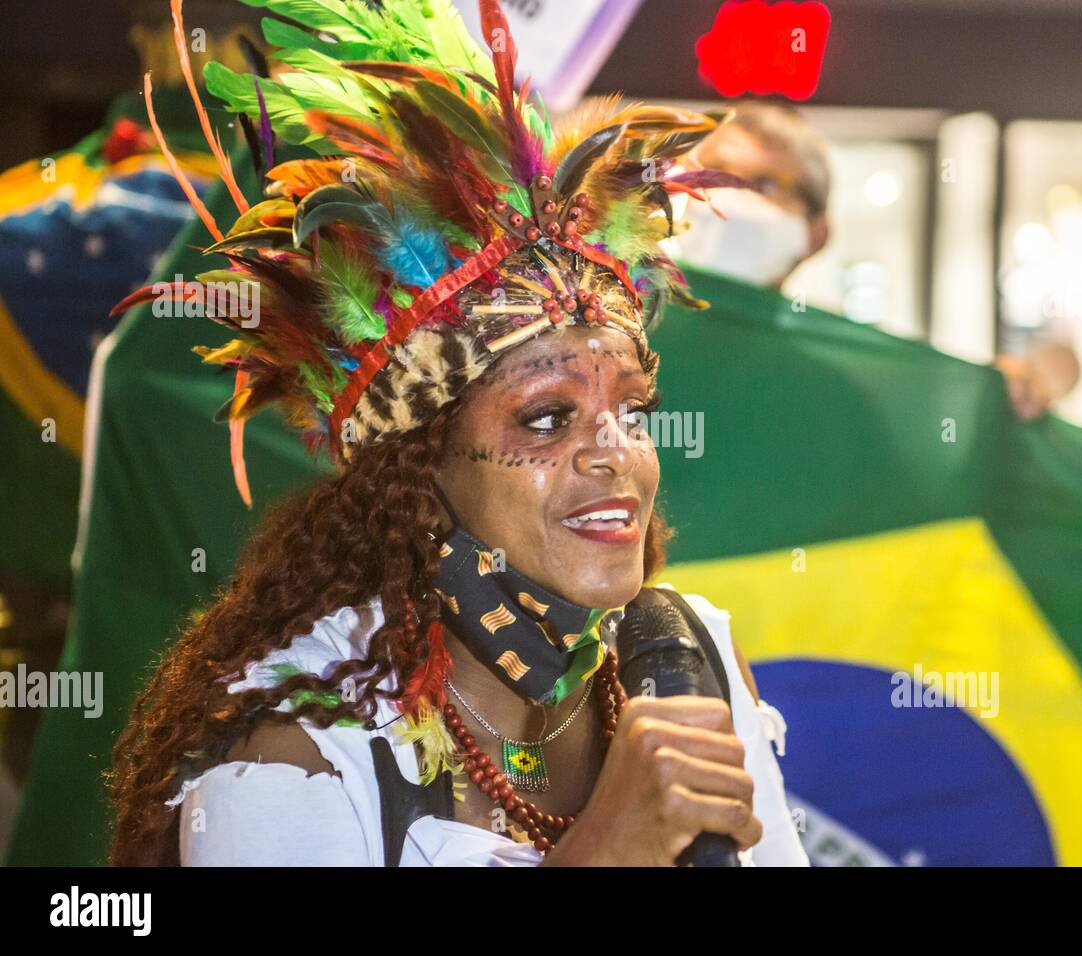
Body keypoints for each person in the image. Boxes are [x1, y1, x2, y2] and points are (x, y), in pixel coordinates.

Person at [108, 0, 808, 867]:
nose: (615, 454)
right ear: (420, 464)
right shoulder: (297, 748)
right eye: (547, 419)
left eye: (631, 413)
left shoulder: (685, 661)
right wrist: (606, 848)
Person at [671, 100, 831, 289]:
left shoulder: (806, 316)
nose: (727, 193)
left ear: (816, 236)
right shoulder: (635, 315)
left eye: (764, 184)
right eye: (713, 174)